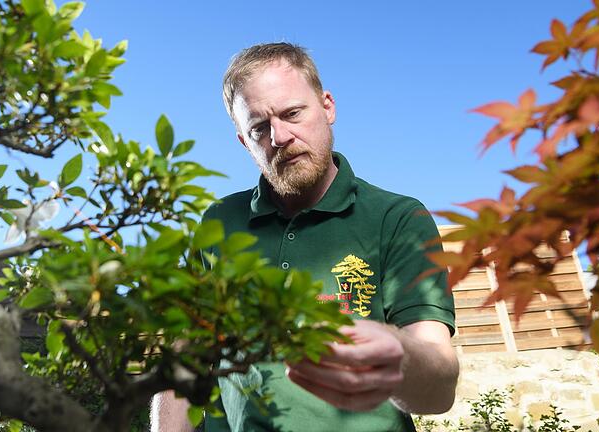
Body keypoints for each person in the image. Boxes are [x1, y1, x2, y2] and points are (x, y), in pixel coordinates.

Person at [152, 42, 458, 432]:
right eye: (259, 128)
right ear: (245, 142)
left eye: (292, 113)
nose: (280, 136)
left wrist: (397, 356)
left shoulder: (397, 218)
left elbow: (439, 388)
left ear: (327, 106)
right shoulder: (219, 222)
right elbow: (183, 359)